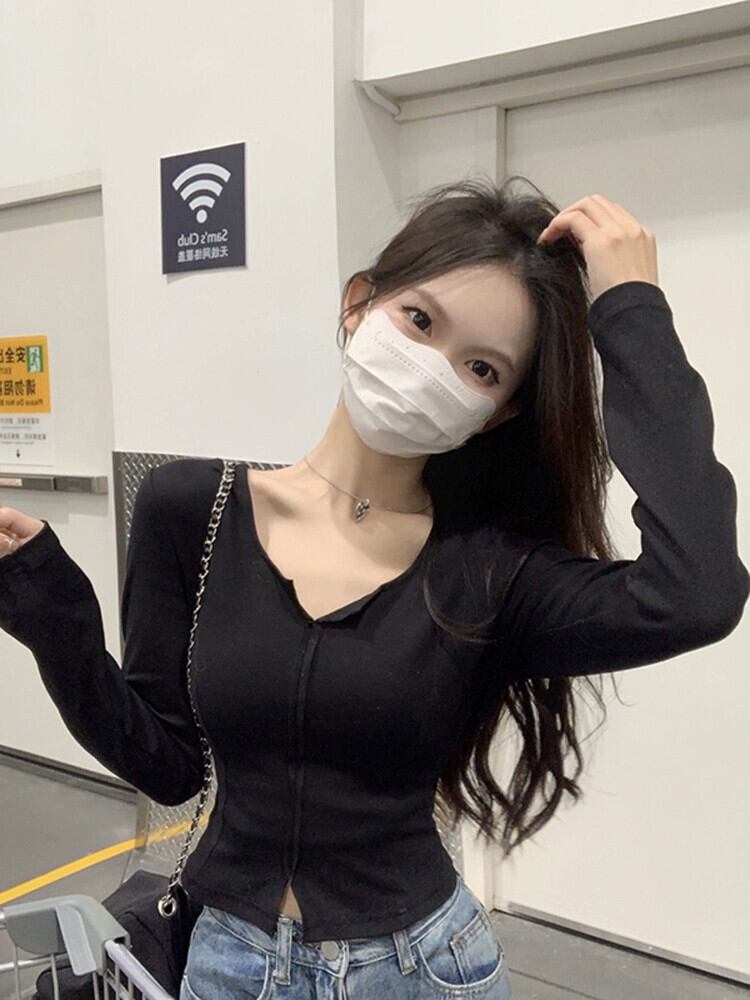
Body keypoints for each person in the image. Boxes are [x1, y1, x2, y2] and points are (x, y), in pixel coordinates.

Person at [1, 176, 747, 999]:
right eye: (420, 321)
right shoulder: (191, 509)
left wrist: (632, 311)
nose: (431, 368)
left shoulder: (489, 572)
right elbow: (169, 767)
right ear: (359, 303)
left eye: (481, 368)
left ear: (497, 413)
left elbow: (696, 592)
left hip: (424, 970)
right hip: (229, 964)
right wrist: (52, 614)